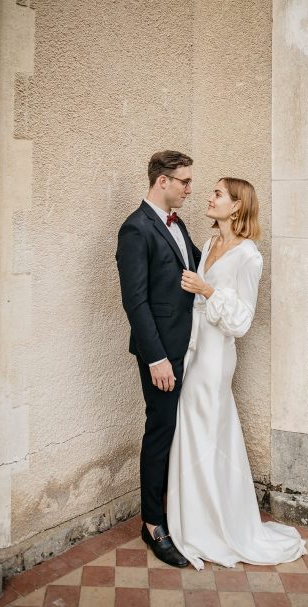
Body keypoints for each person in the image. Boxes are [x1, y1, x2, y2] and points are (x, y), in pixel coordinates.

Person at [167, 177, 307, 570]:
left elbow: (243, 320)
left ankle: (214, 527)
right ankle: (195, 520)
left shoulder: (250, 256)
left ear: (236, 207)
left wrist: (207, 291)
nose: (209, 198)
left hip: (216, 355)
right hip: (194, 346)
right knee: (193, 430)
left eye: (217, 194)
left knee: (205, 428)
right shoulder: (210, 244)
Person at [116, 150, 201, 567]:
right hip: (162, 355)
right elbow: (135, 301)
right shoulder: (135, 229)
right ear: (162, 181)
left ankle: (184, 512)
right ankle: (152, 523)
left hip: (190, 347)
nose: (190, 188)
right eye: (184, 181)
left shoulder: (178, 223)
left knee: (180, 430)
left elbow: (197, 271)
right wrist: (156, 359)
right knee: (160, 433)